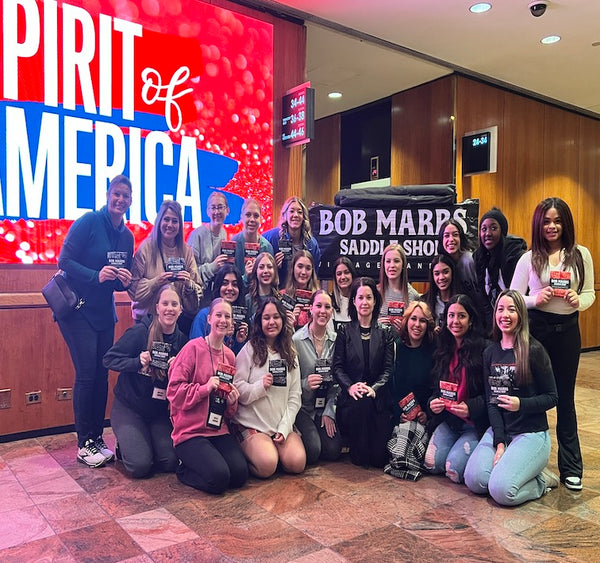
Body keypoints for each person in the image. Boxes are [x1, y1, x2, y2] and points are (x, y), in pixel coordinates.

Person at [511, 197, 595, 491]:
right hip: (537, 331)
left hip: (568, 332)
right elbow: (513, 297)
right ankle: (528, 463)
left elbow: (589, 293)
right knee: (533, 396)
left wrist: (578, 301)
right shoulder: (528, 258)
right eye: (546, 221)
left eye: (557, 220)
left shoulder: (580, 255)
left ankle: (571, 467)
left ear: (566, 223)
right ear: (538, 224)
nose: (552, 226)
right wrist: (536, 299)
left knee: (565, 398)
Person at [57, 174, 134, 467]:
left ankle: (97, 437)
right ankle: (83, 442)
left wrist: (123, 281)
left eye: (125, 196)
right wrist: (95, 274)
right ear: (107, 194)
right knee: (87, 375)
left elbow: (115, 282)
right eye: (116, 194)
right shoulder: (89, 221)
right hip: (77, 311)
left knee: (102, 375)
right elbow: (64, 261)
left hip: (104, 313)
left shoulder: (127, 236)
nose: (120, 200)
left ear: (130, 202)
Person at [464, 290, 559, 506]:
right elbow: (492, 402)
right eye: (500, 309)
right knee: (475, 480)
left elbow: (552, 397)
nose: (505, 315)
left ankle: (542, 481)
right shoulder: (490, 353)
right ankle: (515, 468)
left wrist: (521, 404)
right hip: (502, 430)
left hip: (531, 433)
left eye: (512, 309)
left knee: (502, 491)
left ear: (521, 315)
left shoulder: (534, 350)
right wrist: (499, 443)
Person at [103, 284, 187, 478]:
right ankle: (124, 445)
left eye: (174, 304)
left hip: (158, 412)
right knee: (140, 466)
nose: (169, 308)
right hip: (129, 408)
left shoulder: (182, 341)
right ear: (156, 307)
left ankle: (146, 440)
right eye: (165, 303)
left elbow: (187, 381)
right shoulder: (140, 332)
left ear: (181, 310)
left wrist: (178, 369)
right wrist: (136, 362)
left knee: (170, 461)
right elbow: (108, 359)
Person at [167, 299, 249, 494]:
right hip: (190, 432)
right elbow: (174, 393)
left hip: (217, 429)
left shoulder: (229, 356)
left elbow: (228, 411)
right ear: (210, 319)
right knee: (219, 480)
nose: (223, 320)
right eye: (218, 315)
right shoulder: (192, 348)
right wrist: (204, 388)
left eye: (227, 316)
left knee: (239, 475)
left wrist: (232, 401)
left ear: (232, 322)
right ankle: (183, 468)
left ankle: (209, 464)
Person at [232, 297, 306, 478]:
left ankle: (272, 448)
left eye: (276, 317)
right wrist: (260, 386)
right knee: (267, 466)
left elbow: (295, 396)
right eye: (266, 318)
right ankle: (250, 447)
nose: (271, 322)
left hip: (279, 424)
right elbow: (237, 387)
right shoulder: (249, 349)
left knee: (297, 463)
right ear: (259, 321)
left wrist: (285, 427)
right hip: (253, 424)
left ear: (282, 319)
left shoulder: (290, 351)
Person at [424, 294, 488, 483]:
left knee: (454, 470)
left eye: (461, 316)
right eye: (451, 316)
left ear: (471, 320)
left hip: (474, 424)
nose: (455, 321)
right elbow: (436, 389)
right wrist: (432, 403)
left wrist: (471, 406)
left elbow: (493, 395)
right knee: (431, 465)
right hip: (450, 422)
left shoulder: (485, 350)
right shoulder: (442, 349)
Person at [332, 277, 394, 467]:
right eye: (360, 298)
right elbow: (337, 367)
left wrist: (374, 388)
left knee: (378, 459)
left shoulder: (385, 332)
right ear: (354, 301)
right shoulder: (344, 331)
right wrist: (350, 387)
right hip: (353, 401)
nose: (365, 302)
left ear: (375, 301)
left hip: (378, 399)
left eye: (369, 297)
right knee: (361, 460)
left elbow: (388, 369)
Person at [129, 200, 202, 334]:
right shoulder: (145, 248)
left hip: (175, 323)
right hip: (147, 320)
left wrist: (188, 285)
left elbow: (197, 291)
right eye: (166, 219)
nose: (170, 225)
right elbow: (133, 289)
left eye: (175, 221)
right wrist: (155, 282)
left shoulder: (186, 251)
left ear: (180, 225)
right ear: (159, 221)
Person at [292, 290, 342, 464]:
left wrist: (330, 411)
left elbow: (338, 383)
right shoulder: (296, 340)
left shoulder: (337, 341)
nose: (323, 311)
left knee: (333, 451)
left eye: (327, 307)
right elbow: (288, 382)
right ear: (310, 309)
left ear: (331, 311)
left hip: (323, 406)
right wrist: (305, 383)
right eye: (318, 306)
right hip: (302, 407)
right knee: (313, 452)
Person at [473, 207, 526, 329]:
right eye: (483, 229)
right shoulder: (479, 257)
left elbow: (519, 296)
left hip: (516, 319)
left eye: (493, 228)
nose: (487, 233)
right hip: (491, 320)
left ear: (502, 231)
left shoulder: (516, 256)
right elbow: (482, 294)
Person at [390, 301, 435, 425]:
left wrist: (427, 414)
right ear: (406, 321)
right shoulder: (394, 347)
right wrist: (398, 414)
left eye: (422, 321)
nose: (417, 324)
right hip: (399, 419)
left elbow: (436, 390)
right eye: (413, 319)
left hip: (425, 420)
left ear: (428, 325)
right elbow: (389, 390)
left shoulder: (435, 350)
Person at [189, 264, 249, 354]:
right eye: (225, 283)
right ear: (218, 286)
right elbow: (194, 350)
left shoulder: (242, 318)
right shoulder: (204, 316)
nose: (230, 288)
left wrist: (239, 342)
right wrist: (222, 335)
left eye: (235, 284)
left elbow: (236, 360)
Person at [263, 196, 321, 288]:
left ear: (304, 217)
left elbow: (314, 275)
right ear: (285, 215)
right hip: (277, 293)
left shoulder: (312, 245)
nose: (296, 215)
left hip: (302, 295)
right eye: (291, 211)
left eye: (299, 212)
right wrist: (273, 267)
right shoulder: (270, 238)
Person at [186, 191, 231, 287]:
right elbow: (189, 272)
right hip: (199, 293)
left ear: (227, 210)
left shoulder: (224, 234)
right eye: (213, 208)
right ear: (207, 211)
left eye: (220, 207)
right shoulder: (197, 235)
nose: (217, 212)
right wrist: (212, 267)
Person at [377, 243, 419, 332]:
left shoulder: (413, 295)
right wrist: (375, 324)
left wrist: (405, 328)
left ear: (403, 264)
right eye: (388, 261)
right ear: (383, 264)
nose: (392, 265)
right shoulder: (375, 292)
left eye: (396, 261)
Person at [232, 198, 274, 281]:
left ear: (261, 219)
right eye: (248, 215)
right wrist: (245, 277)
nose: (252, 220)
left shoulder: (267, 247)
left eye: (256, 216)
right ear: (241, 217)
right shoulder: (233, 243)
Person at [438, 219, 478, 297]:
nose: (451, 239)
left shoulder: (468, 261)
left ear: (461, 238)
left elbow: (478, 293)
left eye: (455, 235)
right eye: (446, 236)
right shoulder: (443, 261)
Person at [282, 250, 319, 329]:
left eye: (308, 268)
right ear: (293, 268)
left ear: (312, 271)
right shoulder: (282, 296)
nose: (303, 272)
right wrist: (290, 321)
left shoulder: (318, 298)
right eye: (300, 266)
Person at [422, 254, 457, 331]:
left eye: (445, 272)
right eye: (437, 274)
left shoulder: (462, 301)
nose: (441, 277)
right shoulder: (424, 302)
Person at [245, 252, 282, 320]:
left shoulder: (280, 299)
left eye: (269, 267)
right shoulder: (248, 300)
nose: (265, 271)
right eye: (261, 267)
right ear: (256, 271)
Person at [330, 256, 357, 332]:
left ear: (352, 274)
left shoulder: (360, 301)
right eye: (339, 274)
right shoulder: (330, 302)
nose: (343, 277)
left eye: (346, 272)